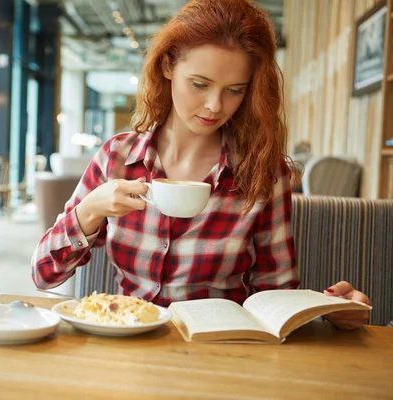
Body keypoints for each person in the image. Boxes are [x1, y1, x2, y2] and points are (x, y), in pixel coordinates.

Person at [32, 0, 370, 330]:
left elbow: (276, 290)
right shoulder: (118, 158)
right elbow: (44, 275)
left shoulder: (263, 172)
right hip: (129, 344)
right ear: (167, 66)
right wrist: (89, 210)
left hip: (221, 351)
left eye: (235, 90)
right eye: (199, 84)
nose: (214, 105)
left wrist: (330, 309)